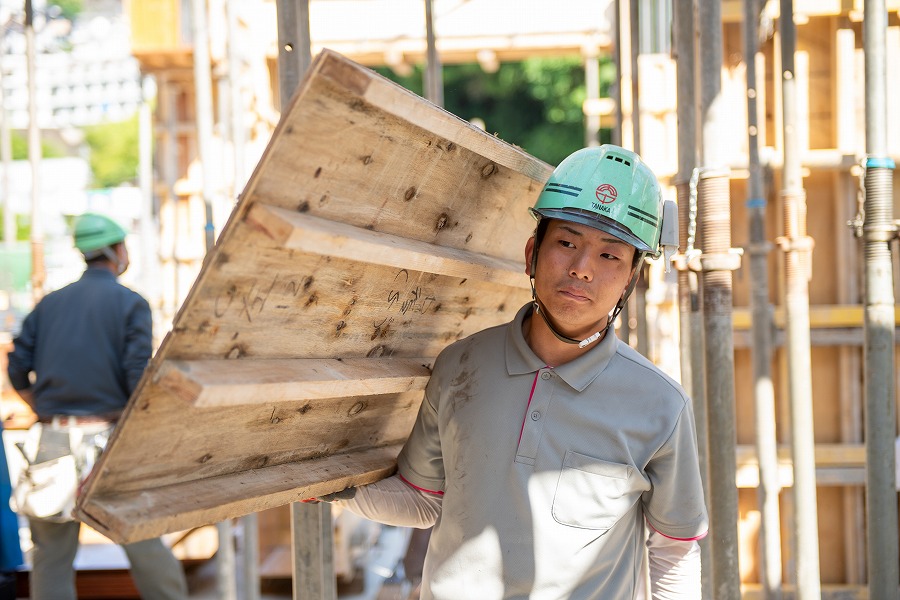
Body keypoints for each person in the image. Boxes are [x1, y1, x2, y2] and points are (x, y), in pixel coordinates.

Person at [313, 145, 709, 599]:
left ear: (631, 280)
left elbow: (673, 553)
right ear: (531, 254)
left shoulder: (660, 406)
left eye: (609, 256)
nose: (581, 269)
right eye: (566, 243)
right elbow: (424, 500)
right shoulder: (460, 367)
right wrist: (325, 490)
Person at [6, 213, 189, 600]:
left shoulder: (48, 305)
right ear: (117, 250)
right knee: (143, 543)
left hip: (52, 441)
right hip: (109, 442)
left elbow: (17, 367)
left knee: (51, 559)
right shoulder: (130, 303)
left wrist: (42, 406)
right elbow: (137, 377)